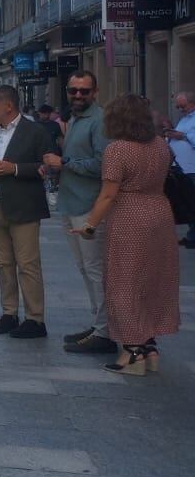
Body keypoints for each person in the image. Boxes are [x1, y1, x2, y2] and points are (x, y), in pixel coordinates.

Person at [68, 95, 181, 375]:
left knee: (124, 282)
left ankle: (132, 353)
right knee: (152, 281)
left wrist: (89, 225)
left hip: (130, 216)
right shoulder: (160, 146)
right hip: (160, 213)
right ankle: (149, 346)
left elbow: (108, 194)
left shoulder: (118, 149)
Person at [0, 84, 58, 339]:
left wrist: (16, 169)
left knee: (28, 264)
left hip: (23, 206)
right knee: (3, 264)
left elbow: (48, 165)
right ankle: (9, 312)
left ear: (8, 105)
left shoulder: (35, 132)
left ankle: (35, 318)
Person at [41, 71, 115, 355]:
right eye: (74, 91)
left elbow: (103, 164)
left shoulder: (99, 121)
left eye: (85, 91)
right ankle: (98, 324)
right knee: (86, 269)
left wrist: (65, 162)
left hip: (90, 205)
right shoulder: (73, 119)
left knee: (96, 270)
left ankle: (105, 331)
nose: (79, 96)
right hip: (72, 203)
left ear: (95, 92)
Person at [164, 91, 195, 248]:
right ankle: (191, 235)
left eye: (182, 106)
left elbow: (191, 138)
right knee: (188, 203)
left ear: (192, 103)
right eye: (177, 106)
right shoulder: (185, 119)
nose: (179, 109)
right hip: (182, 167)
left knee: (192, 202)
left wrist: (181, 136)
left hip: (192, 167)